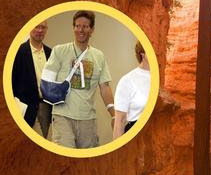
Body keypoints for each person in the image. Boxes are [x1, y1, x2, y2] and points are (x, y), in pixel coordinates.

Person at [42, 10, 115, 148]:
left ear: (92, 30)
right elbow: (46, 82)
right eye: (77, 26)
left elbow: (105, 87)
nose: (80, 30)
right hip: (62, 116)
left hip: (88, 120)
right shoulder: (59, 51)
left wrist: (114, 115)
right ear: (73, 27)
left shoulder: (99, 56)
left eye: (85, 26)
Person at [12, 21, 52, 138]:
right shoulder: (17, 52)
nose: (40, 30)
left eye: (43, 27)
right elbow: (11, 83)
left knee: (45, 140)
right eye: (36, 27)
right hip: (25, 107)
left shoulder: (51, 53)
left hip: (46, 107)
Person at [113, 41, 150, 139]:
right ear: (142, 53)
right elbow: (119, 122)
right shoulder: (128, 80)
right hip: (135, 137)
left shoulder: (163, 77)